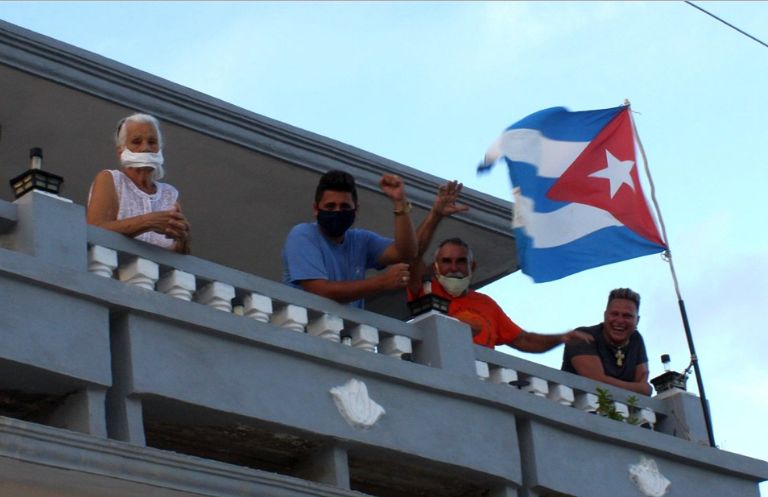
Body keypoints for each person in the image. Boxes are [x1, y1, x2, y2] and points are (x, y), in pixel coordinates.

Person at [407, 181, 592, 352]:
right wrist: (435, 215)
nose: (454, 267)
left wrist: (561, 337)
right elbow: (413, 254)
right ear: (435, 266)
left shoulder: (486, 303)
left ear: (473, 266)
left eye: (461, 261)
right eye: (446, 261)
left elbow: (524, 341)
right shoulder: (426, 289)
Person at [282, 169, 417, 308]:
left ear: (356, 210)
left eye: (344, 206)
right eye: (330, 206)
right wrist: (382, 282)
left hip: (346, 329)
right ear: (316, 209)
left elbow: (405, 252)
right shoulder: (303, 234)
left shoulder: (361, 240)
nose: (337, 211)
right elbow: (320, 291)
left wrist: (400, 201)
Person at [87, 113, 190, 253]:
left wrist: (183, 239)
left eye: (152, 142)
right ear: (121, 151)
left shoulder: (169, 193)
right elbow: (93, 230)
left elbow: (179, 254)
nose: (145, 148)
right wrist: (148, 222)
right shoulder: (110, 179)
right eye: (136, 141)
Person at [561, 288, 652, 395]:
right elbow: (597, 384)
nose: (619, 321)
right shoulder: (582, 336)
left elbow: (642, 386)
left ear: (637, 320)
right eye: (614, 314)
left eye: (627, 316)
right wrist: (641, 388)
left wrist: (643, 389)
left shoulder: (635, 339)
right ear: (605, 315)